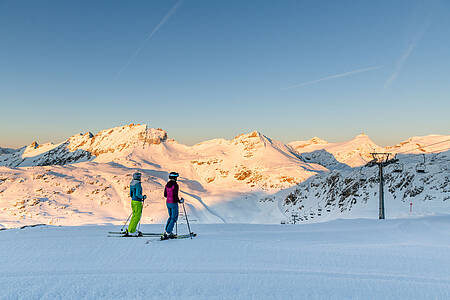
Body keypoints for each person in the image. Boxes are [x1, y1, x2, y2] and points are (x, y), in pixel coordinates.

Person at [163, 172, 184, 239]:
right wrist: (179, 201)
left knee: (170, 217)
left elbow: (165, 195)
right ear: (174, 178)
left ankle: (167, 231)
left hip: (168, 203)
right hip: (173, 203)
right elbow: (175, 195)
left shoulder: (167, 184)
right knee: (174, 218)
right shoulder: (175, 185)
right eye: (176, 177)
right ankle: (168, 232)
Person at [127, 172, 147, 237]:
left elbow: (131, 194)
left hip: (133, 201)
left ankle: (131, 229)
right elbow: (137, 194)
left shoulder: (131, 183)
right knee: (137, 217)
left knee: (134, 216)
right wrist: (143, 197)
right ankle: (132, 231)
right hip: (137, 202)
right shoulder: (138, 184)